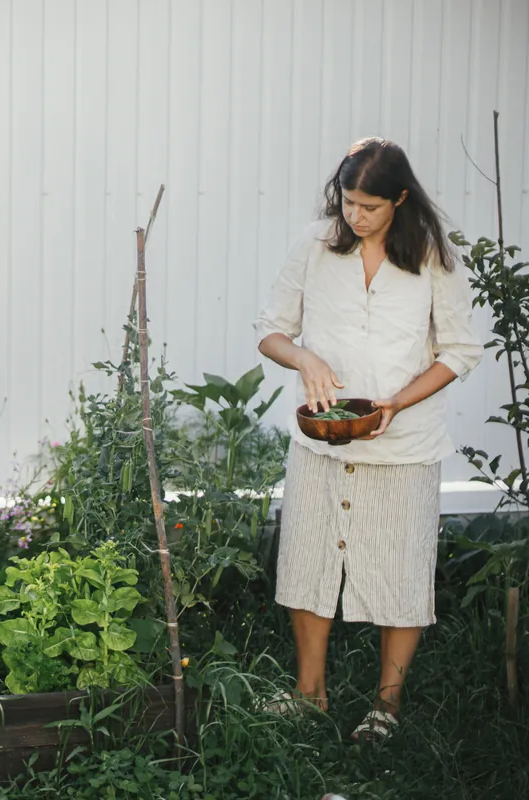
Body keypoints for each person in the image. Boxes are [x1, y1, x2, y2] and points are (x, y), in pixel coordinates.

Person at [254, 138, 483, 742]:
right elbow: (270, 332)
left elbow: (460, 351)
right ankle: (310, 694)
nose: (354, 216)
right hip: (321, 442)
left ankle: (387, 706)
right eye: (348, 201)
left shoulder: (433, 255)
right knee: (307, 563)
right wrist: (303, 358)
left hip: (403, 447)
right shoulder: (315, 244)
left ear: (400, 200)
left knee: (401, 573)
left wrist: (398, 402)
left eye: (369, 206)